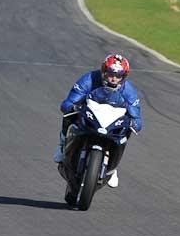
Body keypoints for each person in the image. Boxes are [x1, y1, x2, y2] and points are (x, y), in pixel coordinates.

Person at [53, 54, 142, 188]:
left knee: (127, 129)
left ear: (124, 77)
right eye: (110, 74)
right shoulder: (88, 79)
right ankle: (62, 145)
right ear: (103, 72)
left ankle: (112, 167)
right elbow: (68, 102)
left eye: (119, 76)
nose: (114, 78)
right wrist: (72, 106)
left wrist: (134, 123)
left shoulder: (129, 90)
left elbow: (137, 118)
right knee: (69, 115)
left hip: (112, 120)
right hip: (89, 113)